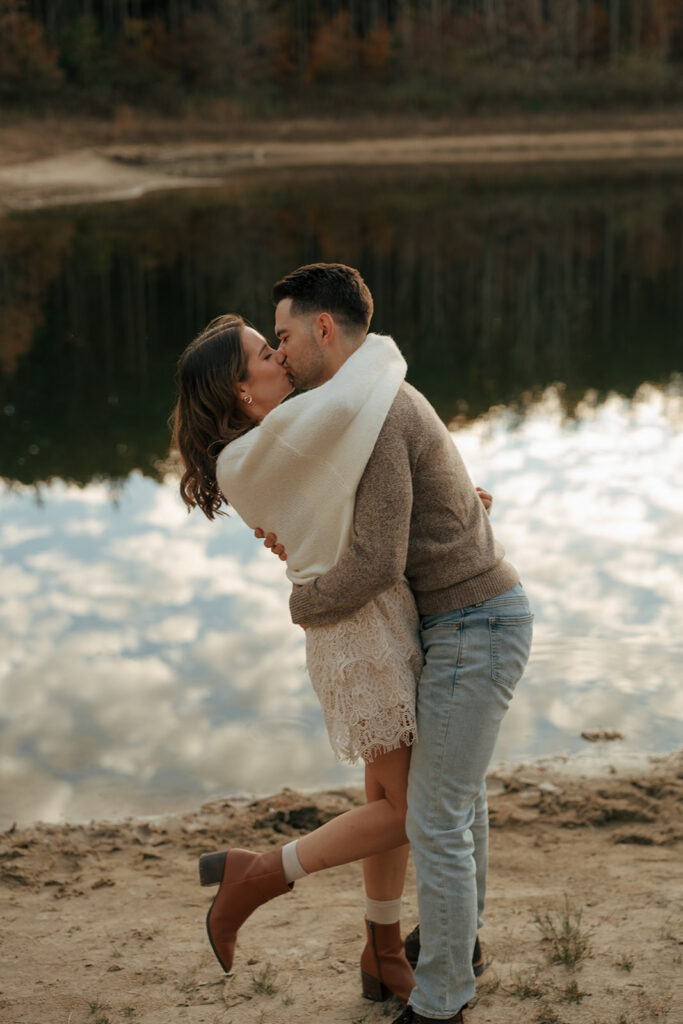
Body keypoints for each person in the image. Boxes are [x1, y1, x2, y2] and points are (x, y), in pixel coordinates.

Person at [260, 263, 534, 1024]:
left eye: (284, 336)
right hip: (465, 619)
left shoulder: (375, 411)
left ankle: (442, 999)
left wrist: (304, 602)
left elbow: (377, 559)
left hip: (474, 623)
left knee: (435, 815)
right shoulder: (368, 402)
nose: (279, 354)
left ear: (323, 329)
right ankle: (462, 947)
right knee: (458, 803)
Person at [171, 303, 423, 1007]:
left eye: (271, 344)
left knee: (388, 799)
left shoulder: (284, 436)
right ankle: (259, 873)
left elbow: (364, 484)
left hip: (373, 616)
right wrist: (343, 324)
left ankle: (380, 946)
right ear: (240, 395)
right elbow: (373, 369)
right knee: (408, 809)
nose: (280, 358)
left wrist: (437, 498)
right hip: (359, 632)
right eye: (263, 353)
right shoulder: (262, 446)